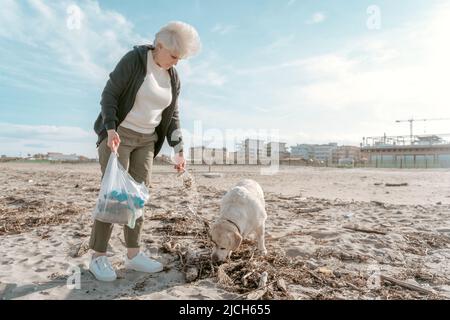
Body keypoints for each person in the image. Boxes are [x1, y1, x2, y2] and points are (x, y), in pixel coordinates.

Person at [89, 21, 201, 282]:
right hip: (118, 136)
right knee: (113, 195)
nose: (176, 62)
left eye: (180, 58)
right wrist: (111, 128)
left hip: (147, 141)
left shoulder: (173, 76)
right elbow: (109, 95)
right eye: (174, 56)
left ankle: (133, 254)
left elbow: (172, 115)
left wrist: (179, 149)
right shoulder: (134, 60)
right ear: (159, 46)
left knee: (138, 197)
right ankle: (98, 257)